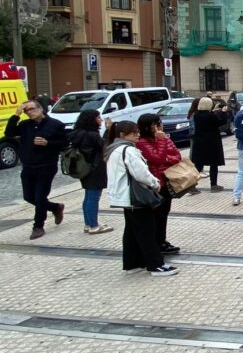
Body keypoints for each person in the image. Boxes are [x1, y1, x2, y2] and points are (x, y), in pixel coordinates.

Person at [104, 121, 175, 276]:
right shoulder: (129, 150)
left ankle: (132, 263)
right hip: (136, 197)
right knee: (147, 231)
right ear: (123, 135)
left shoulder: (113, 149)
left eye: (137, 131)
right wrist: (155, 183)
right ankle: (155, 265)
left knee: (131, 231)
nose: (137, 135)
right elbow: (141, 173)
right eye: (134, 132)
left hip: (123, 197)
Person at [7, 100, 66, 240]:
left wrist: (48, 143)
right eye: (26, 110)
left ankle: (38, 226)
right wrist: (16, 115)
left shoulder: (56, 125)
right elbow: (9, 133)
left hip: (46, 166)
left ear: (40, 109)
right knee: (28, 196)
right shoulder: (24, 125)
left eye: (31, 109)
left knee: (40, 197)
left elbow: (64, 143)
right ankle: (55, 207)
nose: (29, 112)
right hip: (28, 166)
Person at [136, 113, 183, 256]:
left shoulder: (163, 139)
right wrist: (162, 143)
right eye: (155, 125)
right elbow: (156, 158)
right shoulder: (142, 142)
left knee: (164, 214)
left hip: (167, 180)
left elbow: (177, 156)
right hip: (154, 183)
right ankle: (157, 242)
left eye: (159, 123)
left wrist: (166, 156)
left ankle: (162, 240)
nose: (159, 127)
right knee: (156, 215)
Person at [69, 109, 113, 234]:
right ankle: (93, 225)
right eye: (98, 118)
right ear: (91, 120)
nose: (101, 120)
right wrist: (109, 130)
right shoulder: (92, 135)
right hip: (95, 167)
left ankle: (89, 223)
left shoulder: (78, 133)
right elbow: (105, 147)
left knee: (88, 196)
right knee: (93, 196)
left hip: (84, 168)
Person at [191, 97, 225, 192]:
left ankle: (192, 186)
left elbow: (208, 116)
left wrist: (214, 111)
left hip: (199, 143)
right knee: (213, 164)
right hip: (212, 142)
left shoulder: (196, 115)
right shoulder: (211, 116)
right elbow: (221, 122)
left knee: (198, 165)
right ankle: (213, 185)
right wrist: (224, 112)